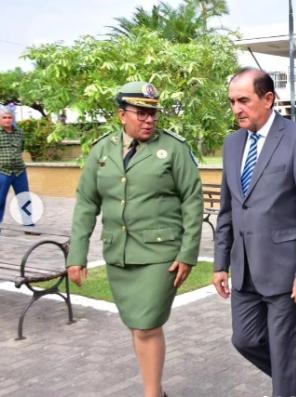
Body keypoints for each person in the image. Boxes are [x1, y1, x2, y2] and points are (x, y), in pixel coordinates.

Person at [67, 81, 203, 397]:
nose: (149, 119)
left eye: (153, 113)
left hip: (160, 254)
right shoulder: (102, 150)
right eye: (141, 113)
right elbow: (87, 202)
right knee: (136, 324)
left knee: (146, 324)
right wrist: (77, 254)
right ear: (121, 115)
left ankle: (152, 394)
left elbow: (192, 201)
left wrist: (188, 253)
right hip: (120, 253)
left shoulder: (174, 149)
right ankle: (155, 389)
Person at [212, 67, 296, 397]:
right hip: (245, 270)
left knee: (284, 350)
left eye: (244, 100)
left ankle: (290, 379)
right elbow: (227, 209)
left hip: (288, 272)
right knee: (245, 339)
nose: (237, 109)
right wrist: (221, 263)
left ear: (268, 99)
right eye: (232, 101)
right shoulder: (232, 144)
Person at [0, 106, 34, 226]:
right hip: (3, 172)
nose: (7, 120)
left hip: (20, 172)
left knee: (24, 198)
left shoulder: (19, 132)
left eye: (9, 117)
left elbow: (21, 148)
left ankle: (28, 223)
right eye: (4, 117)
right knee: (0, 200)